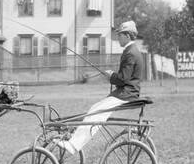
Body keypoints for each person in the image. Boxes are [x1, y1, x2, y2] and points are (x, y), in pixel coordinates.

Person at [56, 20, 144, 154]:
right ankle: (74, 142)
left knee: (95, 113)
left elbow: (123, 79)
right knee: (94, 110)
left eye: (120, 35)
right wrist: (112, 75)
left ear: (127, 35)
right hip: (126, 92)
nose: (118, 37)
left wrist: (111, 76)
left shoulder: (130, 52)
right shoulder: (132, 51)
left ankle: (73, 145)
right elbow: (125, 77)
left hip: (126, 94)